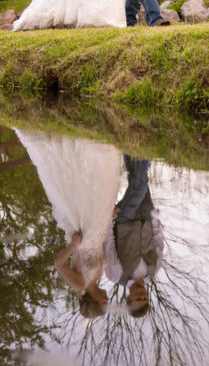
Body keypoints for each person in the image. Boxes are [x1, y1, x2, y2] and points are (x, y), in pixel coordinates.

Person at [13, 129, 121, 318]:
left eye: (103, 304)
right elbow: (100, 245)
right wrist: (109, 218)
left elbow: (59, 263)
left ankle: (71, 141)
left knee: (82, 188)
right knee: (98, 190)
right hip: (97, 229)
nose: (107, 301)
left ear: (94, 301)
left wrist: (73, 245)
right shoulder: (97, 278)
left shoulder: (80, 284)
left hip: (82, 233)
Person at [104, 155, 164, 317]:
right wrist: (155, 218)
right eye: (145, 297)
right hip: (146, 216)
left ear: (128, 298)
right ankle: (130, 146)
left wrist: (110, 218)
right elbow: (158, 242)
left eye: (139, 297)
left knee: (139, 186)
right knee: (137, 179)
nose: (142, 294)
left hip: (125, 219)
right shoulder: (153, 270)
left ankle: (145, 147)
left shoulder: (115, 275)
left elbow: (109, 245)